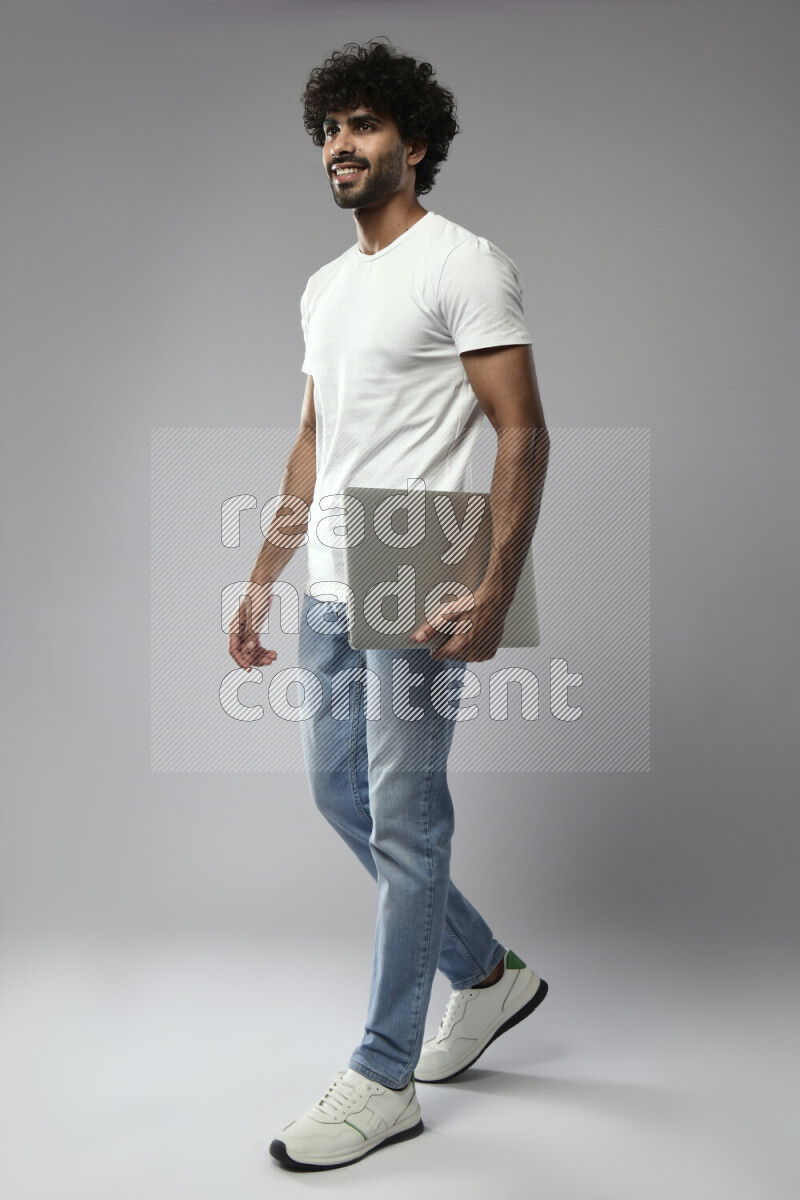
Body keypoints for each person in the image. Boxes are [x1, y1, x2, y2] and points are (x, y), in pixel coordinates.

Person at [229, 38, 550, 1171]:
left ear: (414, 143)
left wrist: (493, 580)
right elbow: (315, 438)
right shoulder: (324, 285)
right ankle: (487, 975)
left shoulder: (464, 263)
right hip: (328, 560)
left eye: (363, 126)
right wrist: (260, 578)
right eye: (329, 128)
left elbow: (520, 427)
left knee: (408, 824)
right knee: (339, 796)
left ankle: (383, 1076)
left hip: (414, 551)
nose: (340, 146)